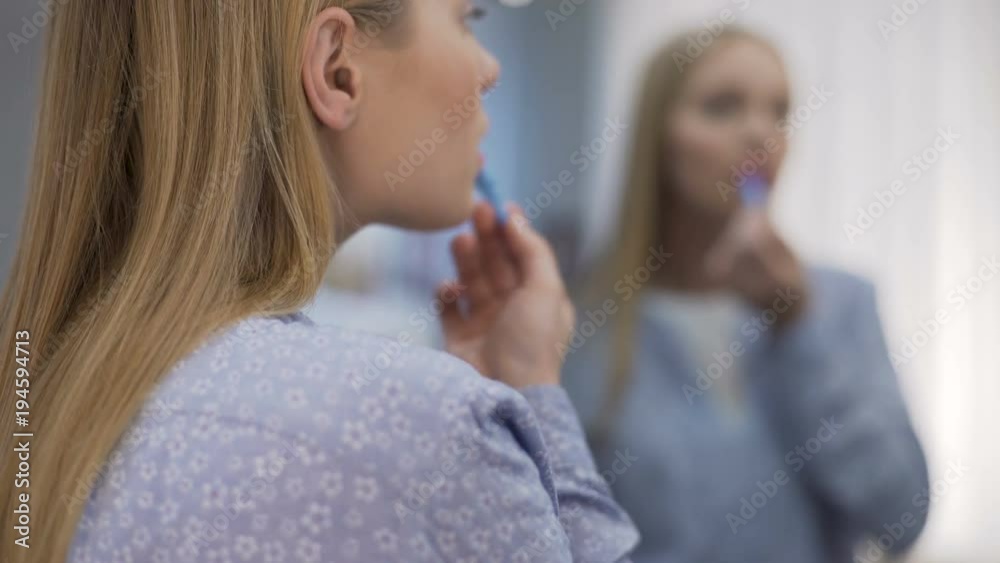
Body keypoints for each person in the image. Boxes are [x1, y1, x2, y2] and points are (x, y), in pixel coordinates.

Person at [0, 1, 640, 561]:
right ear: (338, 69)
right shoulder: (434, 428)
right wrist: (534, 392)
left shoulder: (30, 390)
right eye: (467, 18)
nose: (491, 68)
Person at [562, 28, 929, 563]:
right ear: (656, 137)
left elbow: (902, 518)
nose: (761, 133)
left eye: (779, 111)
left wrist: (799, 326)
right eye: (722, 107)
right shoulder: (579, 322)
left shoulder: (840, 304)